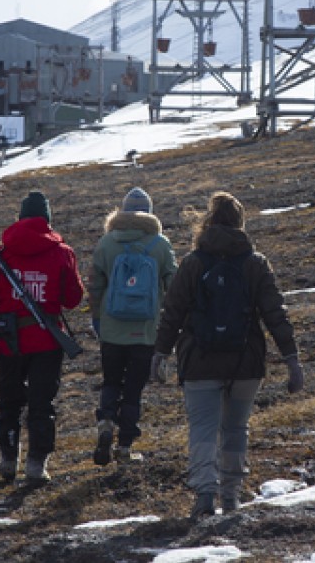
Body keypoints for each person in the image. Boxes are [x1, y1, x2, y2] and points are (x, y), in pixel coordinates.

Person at [152, 191, 304, 520]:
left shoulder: (193, 263)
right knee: (236, 428)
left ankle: (205, 495)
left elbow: (172, 312)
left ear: (208, 221)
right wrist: (291, 359)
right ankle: (231, 496)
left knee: (204, 429)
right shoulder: (255, 263)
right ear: (240, 223)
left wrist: (160, 353)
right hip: (245, 363)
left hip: (199, 363)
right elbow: (275, 313)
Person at [0, 190, 85, 483]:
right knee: (42, 402)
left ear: (20, 217)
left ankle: (8, 459)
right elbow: (73, 299)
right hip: (48, 340)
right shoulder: (63, 253)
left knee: (9, 400)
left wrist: (3, 320)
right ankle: (37, 463)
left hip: (9, 339)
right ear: (47, 219)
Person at [87, 187, 177, 465]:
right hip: (145, 331)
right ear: (149, 213)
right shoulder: (160, 244)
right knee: (134, 390)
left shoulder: (106, 243)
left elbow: (95, 285)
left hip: (112, 330)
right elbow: (173, 287)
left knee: (111, 381)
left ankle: (106, 421)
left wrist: (98, 319)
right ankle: (124, 447)